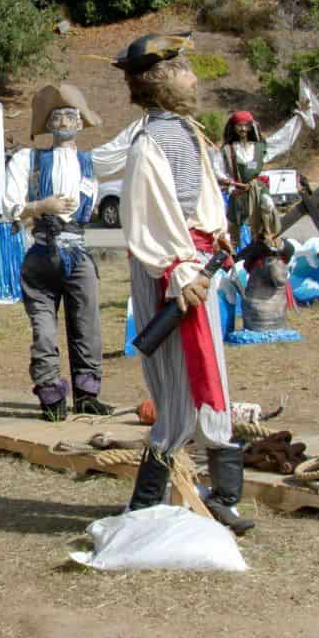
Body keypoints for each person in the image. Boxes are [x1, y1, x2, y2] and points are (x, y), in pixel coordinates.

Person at [114, 33, 254, 535]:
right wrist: (178, 269)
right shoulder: (149, 142)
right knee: (176, 386)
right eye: (183, 68)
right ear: (159, 80)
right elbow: (147, 214)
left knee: (210, 374)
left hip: (198, 266)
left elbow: (201, 200)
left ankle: (225, 496)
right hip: (170, 274)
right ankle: (145, 506)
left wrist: (218, 236)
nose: (193, 77)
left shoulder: (189, 133)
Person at [3, 83, 133, 419]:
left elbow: (126, 144)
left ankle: (87, 393)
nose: (63, 123)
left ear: (81, 122)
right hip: (41, 255)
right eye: (57, 117)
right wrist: (40, 205)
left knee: (87, 326)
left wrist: (153, 110)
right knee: (43, 331)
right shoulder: (27, 160)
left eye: (70, 116)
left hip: (79, 254)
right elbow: (10, 206)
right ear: (47, 124)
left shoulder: (92, 161)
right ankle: (50, 394)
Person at [215, 107, 311, 249]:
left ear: (250, 127)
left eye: (245, 125)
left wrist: (298, 119)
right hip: (239, 192)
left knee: (268, 204)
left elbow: (282, 139)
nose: (242, 129)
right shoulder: (227, 150)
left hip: (258, 188)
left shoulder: (260, 148)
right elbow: (217, 170)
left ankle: (269, 238)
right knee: (233, 226)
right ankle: (231, 255)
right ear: (233, 128)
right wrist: (229, 183)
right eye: (239, 126)